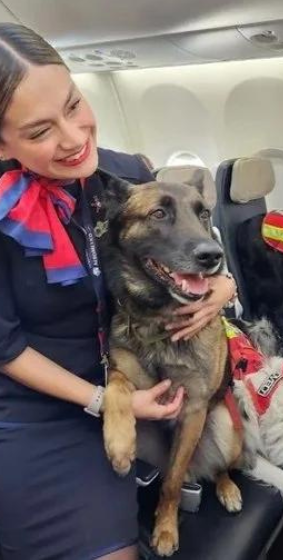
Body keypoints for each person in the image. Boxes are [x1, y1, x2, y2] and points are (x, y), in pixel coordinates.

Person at [0, 23, 237, 559]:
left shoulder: (123, 174)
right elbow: (5, 347)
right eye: (40, 131)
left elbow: (195, 245)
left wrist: (224, 287)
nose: (73, 138)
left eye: (73, 105)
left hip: (127, 369)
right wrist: (107, 400)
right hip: (41, 406)